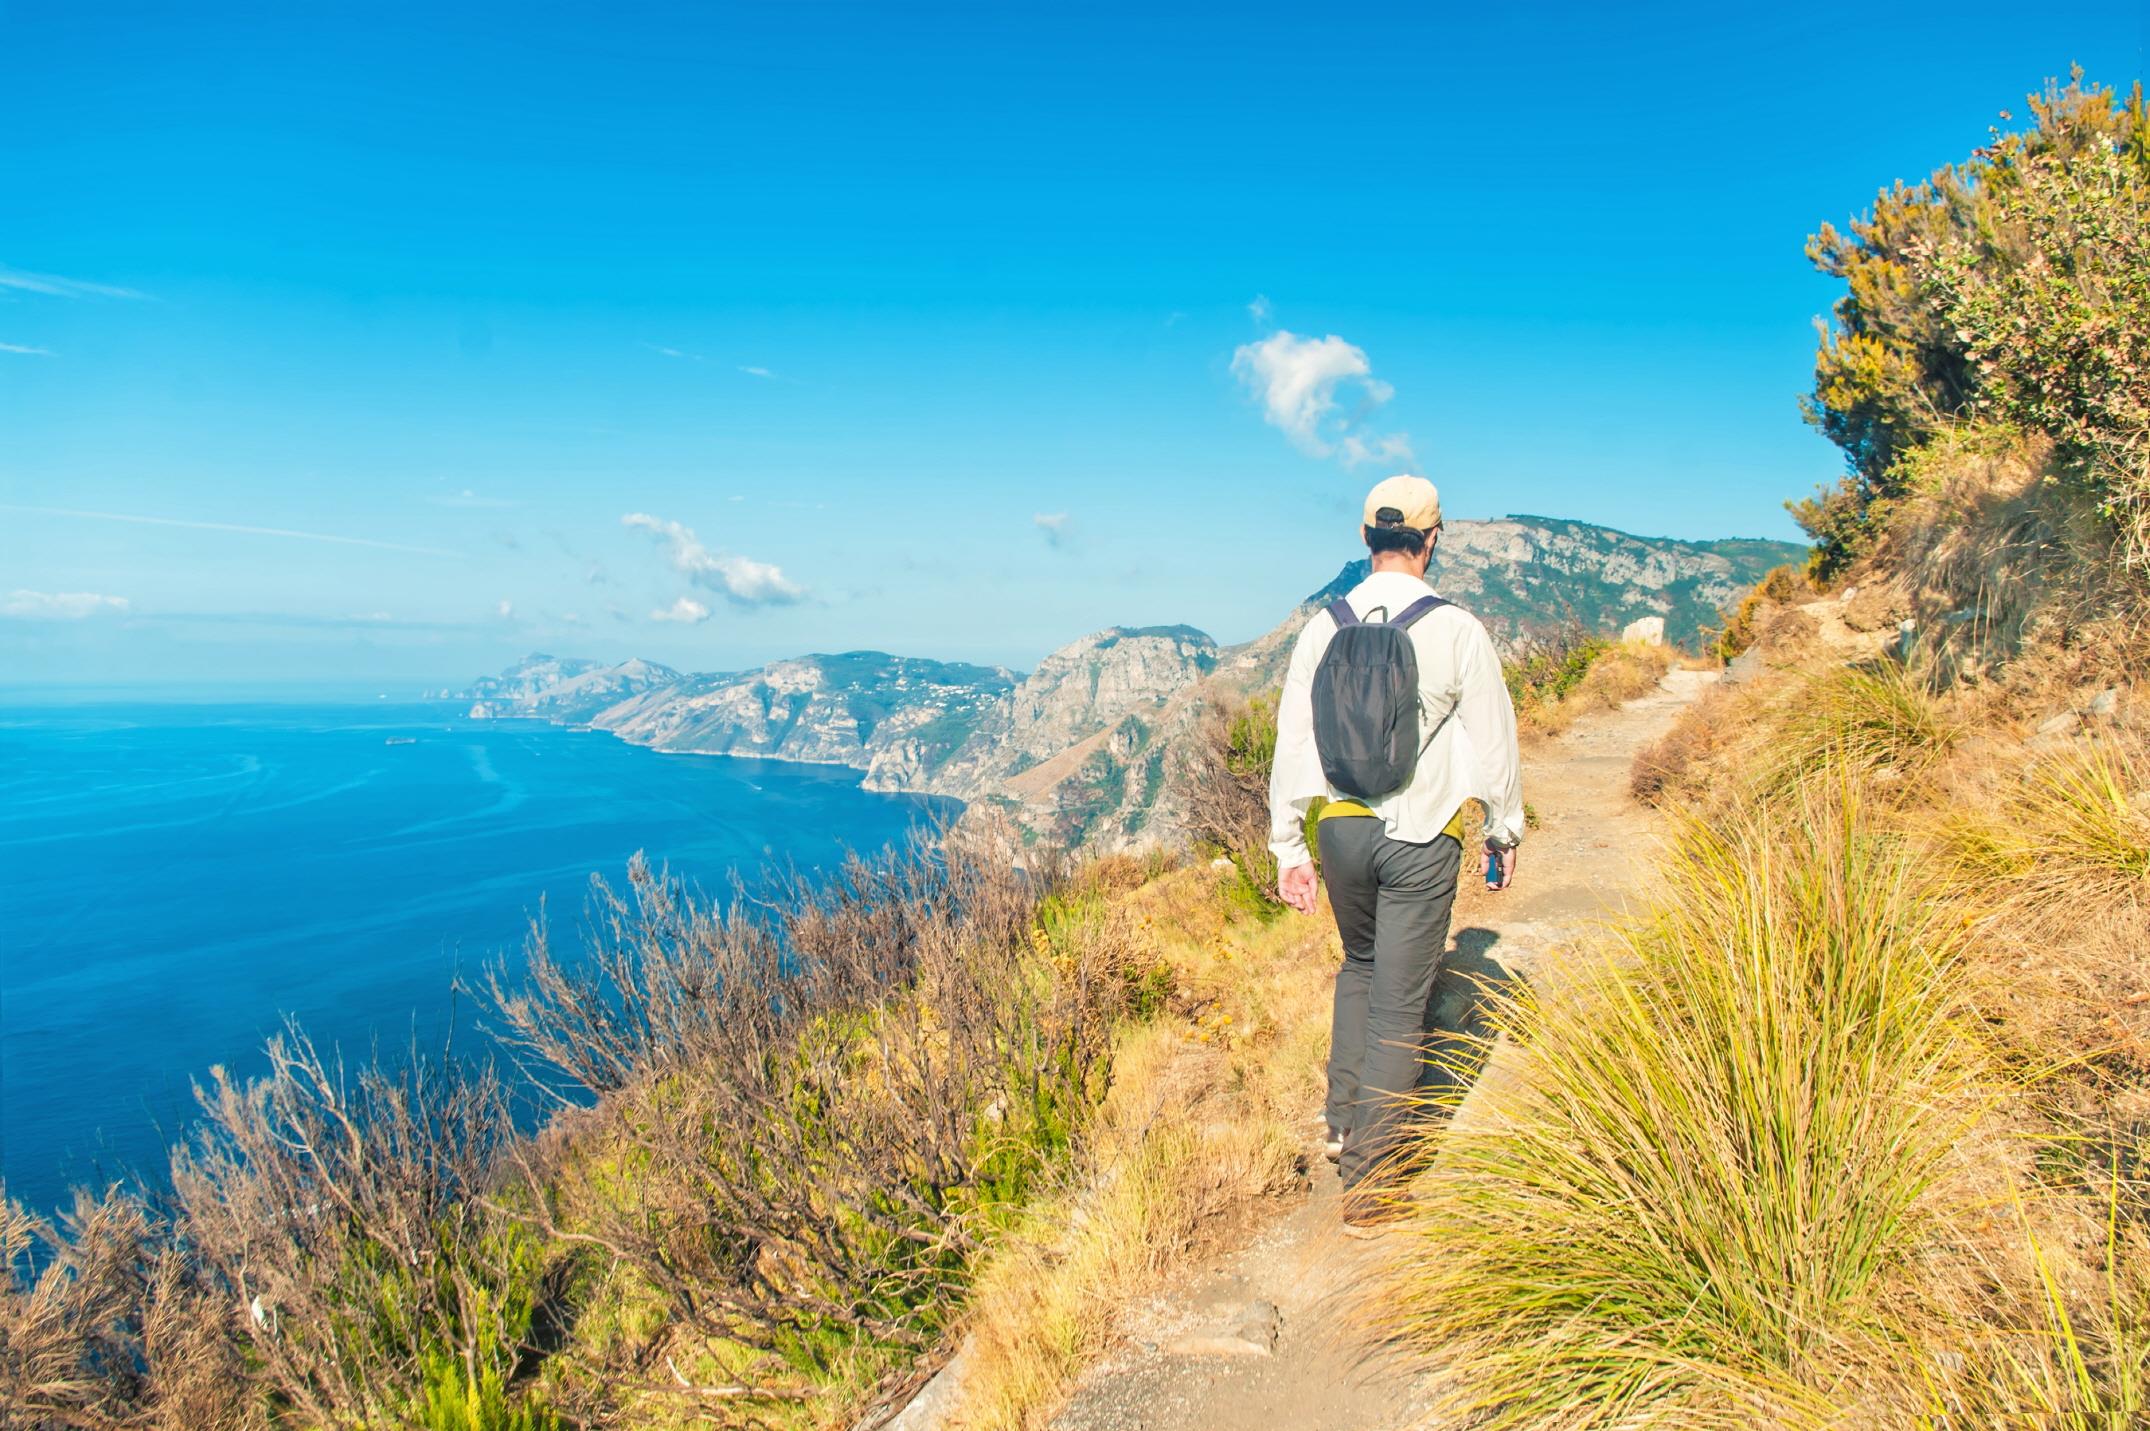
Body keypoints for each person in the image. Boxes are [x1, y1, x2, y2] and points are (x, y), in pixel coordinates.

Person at [1267, 474, 1524, 1234]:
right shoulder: (1456, 629)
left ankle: (1345, 1121)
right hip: (1420, 837)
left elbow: (1294, 741)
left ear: (1365, 538)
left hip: (1341, 832)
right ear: (1433, 537)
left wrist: (1289, 846)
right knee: (1401, 1005)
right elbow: (1494, 742)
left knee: (1361, 966)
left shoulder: (1325, 627)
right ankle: (1374, 1185)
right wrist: (1502, 829)